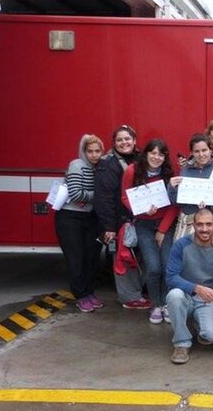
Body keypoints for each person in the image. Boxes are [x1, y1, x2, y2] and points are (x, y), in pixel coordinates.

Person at [166, 208, 213, 364]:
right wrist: (197, 288)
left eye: (208, 224)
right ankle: (181, 343)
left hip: (208, 298)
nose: (204, 229)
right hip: (185, 294)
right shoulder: (181, 245)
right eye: (200, 225)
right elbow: (171, 277)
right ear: (193, 225)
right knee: (174, 296)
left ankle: (199, 324)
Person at [121, 138, 178, 324]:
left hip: (165, 224)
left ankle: (167, 304)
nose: (156, 157)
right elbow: (124, 197)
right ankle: (156, 304)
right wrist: (140, 210)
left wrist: (162, 230)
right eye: (153, 153)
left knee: (167, 266)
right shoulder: (132, 170)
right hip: (143, 225)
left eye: (161, 154)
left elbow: (174, 205)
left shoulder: (169, 174)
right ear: (145, 153)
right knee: (153, 268)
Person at [93, 125, 150, 310]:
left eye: (127, 139)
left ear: (134, 141)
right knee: (124, 259)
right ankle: (129, 298)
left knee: (136, 257)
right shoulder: (108, 164)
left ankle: (136, 293)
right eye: (119, 140)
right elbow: (104, 198)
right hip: (120, 221)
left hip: (138, 219)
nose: (124, 142)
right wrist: (109, 227)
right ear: (114, 143)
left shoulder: (141, 159)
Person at [55, 134, 105, 313]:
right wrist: (100, 197)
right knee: (76, 259)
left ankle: (89, 293)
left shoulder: (100, 167)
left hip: (90, 218)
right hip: (70, 218)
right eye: (90, 151)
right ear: (84, 152)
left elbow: (85, 195)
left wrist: (92, 198)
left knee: (91, 258)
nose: (94, 155)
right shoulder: (76, 165)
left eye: (97, 151)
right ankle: (80, 296)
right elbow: (76, 195)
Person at [168, 134, 213, 234]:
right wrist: (172, 188)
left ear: (210, 150)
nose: (201, 154)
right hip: (186, 222)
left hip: (208, 222)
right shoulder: (185, 170)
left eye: (204, 150)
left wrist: (209, 207)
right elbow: (177, 202)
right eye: (197, 151)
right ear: (192, 153)